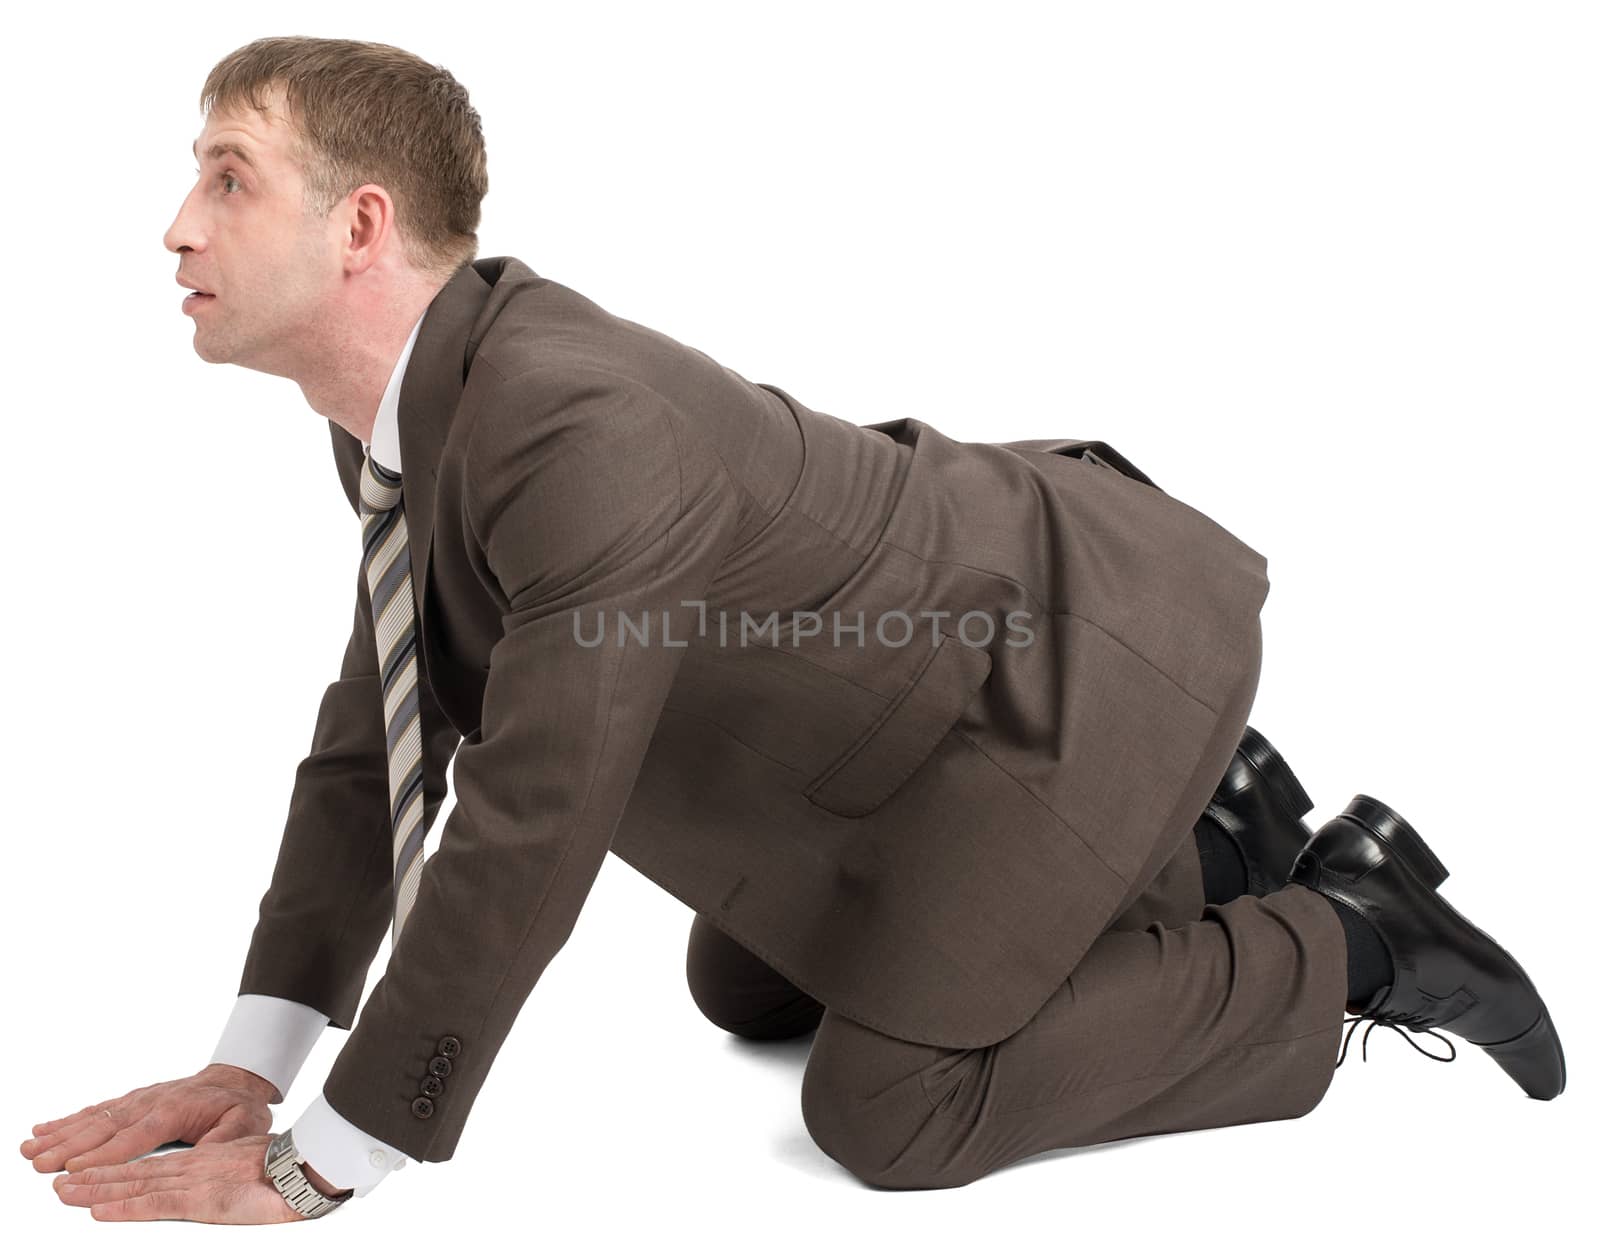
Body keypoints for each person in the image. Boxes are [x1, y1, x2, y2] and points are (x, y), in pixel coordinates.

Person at [20, 36, 1564, 1225]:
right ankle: (1208, 839)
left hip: (1050, 683)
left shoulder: (568, 423)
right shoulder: (408, 423)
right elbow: (378, 745)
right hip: (897, 730)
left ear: (360, 226)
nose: (176, 226)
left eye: (228, 177)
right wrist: (254, 1060)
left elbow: (531, 816)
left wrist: (334, 1159)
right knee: (745, 987)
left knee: (890, 1110)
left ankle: (1352, 932)